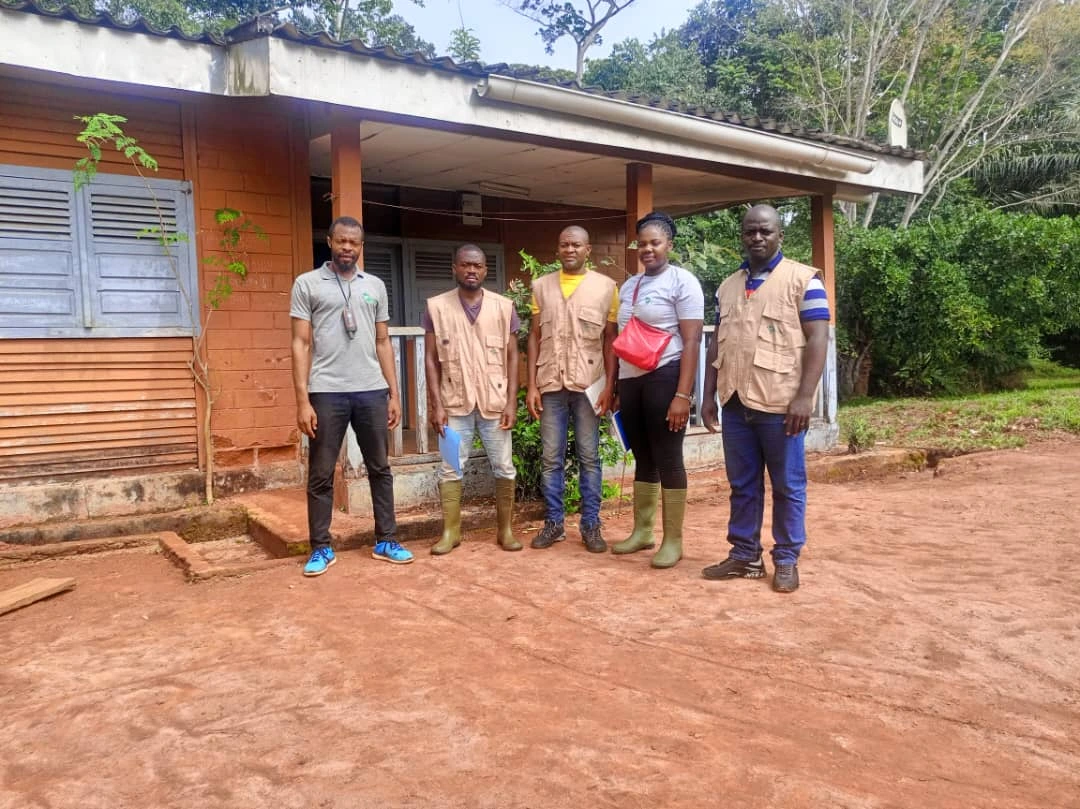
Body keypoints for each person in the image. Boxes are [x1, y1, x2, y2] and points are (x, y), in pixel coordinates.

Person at [700, 204, 829, 593]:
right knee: (743, 483)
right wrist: (707, 396)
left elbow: (818, 338)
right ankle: (745, 555)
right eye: (750, 231)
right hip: (736, 402)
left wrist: (805, 397)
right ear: (742, 235)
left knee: (788, 485)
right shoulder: (728, 285)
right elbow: (716, 345)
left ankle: (786, 558)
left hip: (781, 404)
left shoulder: (804, 280)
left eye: (765, 231)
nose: (757, 237)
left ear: (779, 236)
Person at [290, 215, 413, 576]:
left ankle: (386, 540)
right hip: (326, 392)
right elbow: (299, 342)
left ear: (361, 246)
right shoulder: (307, 284)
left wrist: (394, 393)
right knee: (322, 473)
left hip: (371, 390)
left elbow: (382, 340)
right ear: (329, 241)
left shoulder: (374, 285)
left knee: (380, 467)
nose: (347, 247)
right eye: (341, 241)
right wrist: (302, 400)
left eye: (354, 243)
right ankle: (321, 547)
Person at [611, 211, 704, 569]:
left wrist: (683, 395)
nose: (647, 249)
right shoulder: (629, 285)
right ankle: (643, 531)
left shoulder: (682, 282)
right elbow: (623, 337)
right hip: (632, 379)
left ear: (669, 245)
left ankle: (674, 540)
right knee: (643, 456)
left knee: (668, 456)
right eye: (642, 243)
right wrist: (619, 386)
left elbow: (692, 340)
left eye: (655, 242)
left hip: (665, 375)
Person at [526, 226, 619, 553]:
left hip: (589, 384)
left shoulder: (606, 288)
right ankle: (554, 524)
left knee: (589, 457)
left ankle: (591, 525)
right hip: (550, 383)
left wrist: (610, 385)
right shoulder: (540, 287)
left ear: (588, 249)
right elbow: (534, 336)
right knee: (551, 458)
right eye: (564, 244)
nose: (570, 250)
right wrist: (531, 386)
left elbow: (611, 340)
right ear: (557, 249)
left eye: (576, 245)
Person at [423, 244, 522, 554]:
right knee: (451, 468)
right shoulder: (436, 308)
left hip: (494, 403)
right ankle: (451, 532)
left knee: (504, 467)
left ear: (485, 270)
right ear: (454, 267)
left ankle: (505, 530)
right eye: (465, 265)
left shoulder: (504, 307)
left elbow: (513, 356)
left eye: (477, 266)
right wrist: (435, 404)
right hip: (454, 404)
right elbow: (430, 359)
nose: (471, 270)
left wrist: (511, 401)